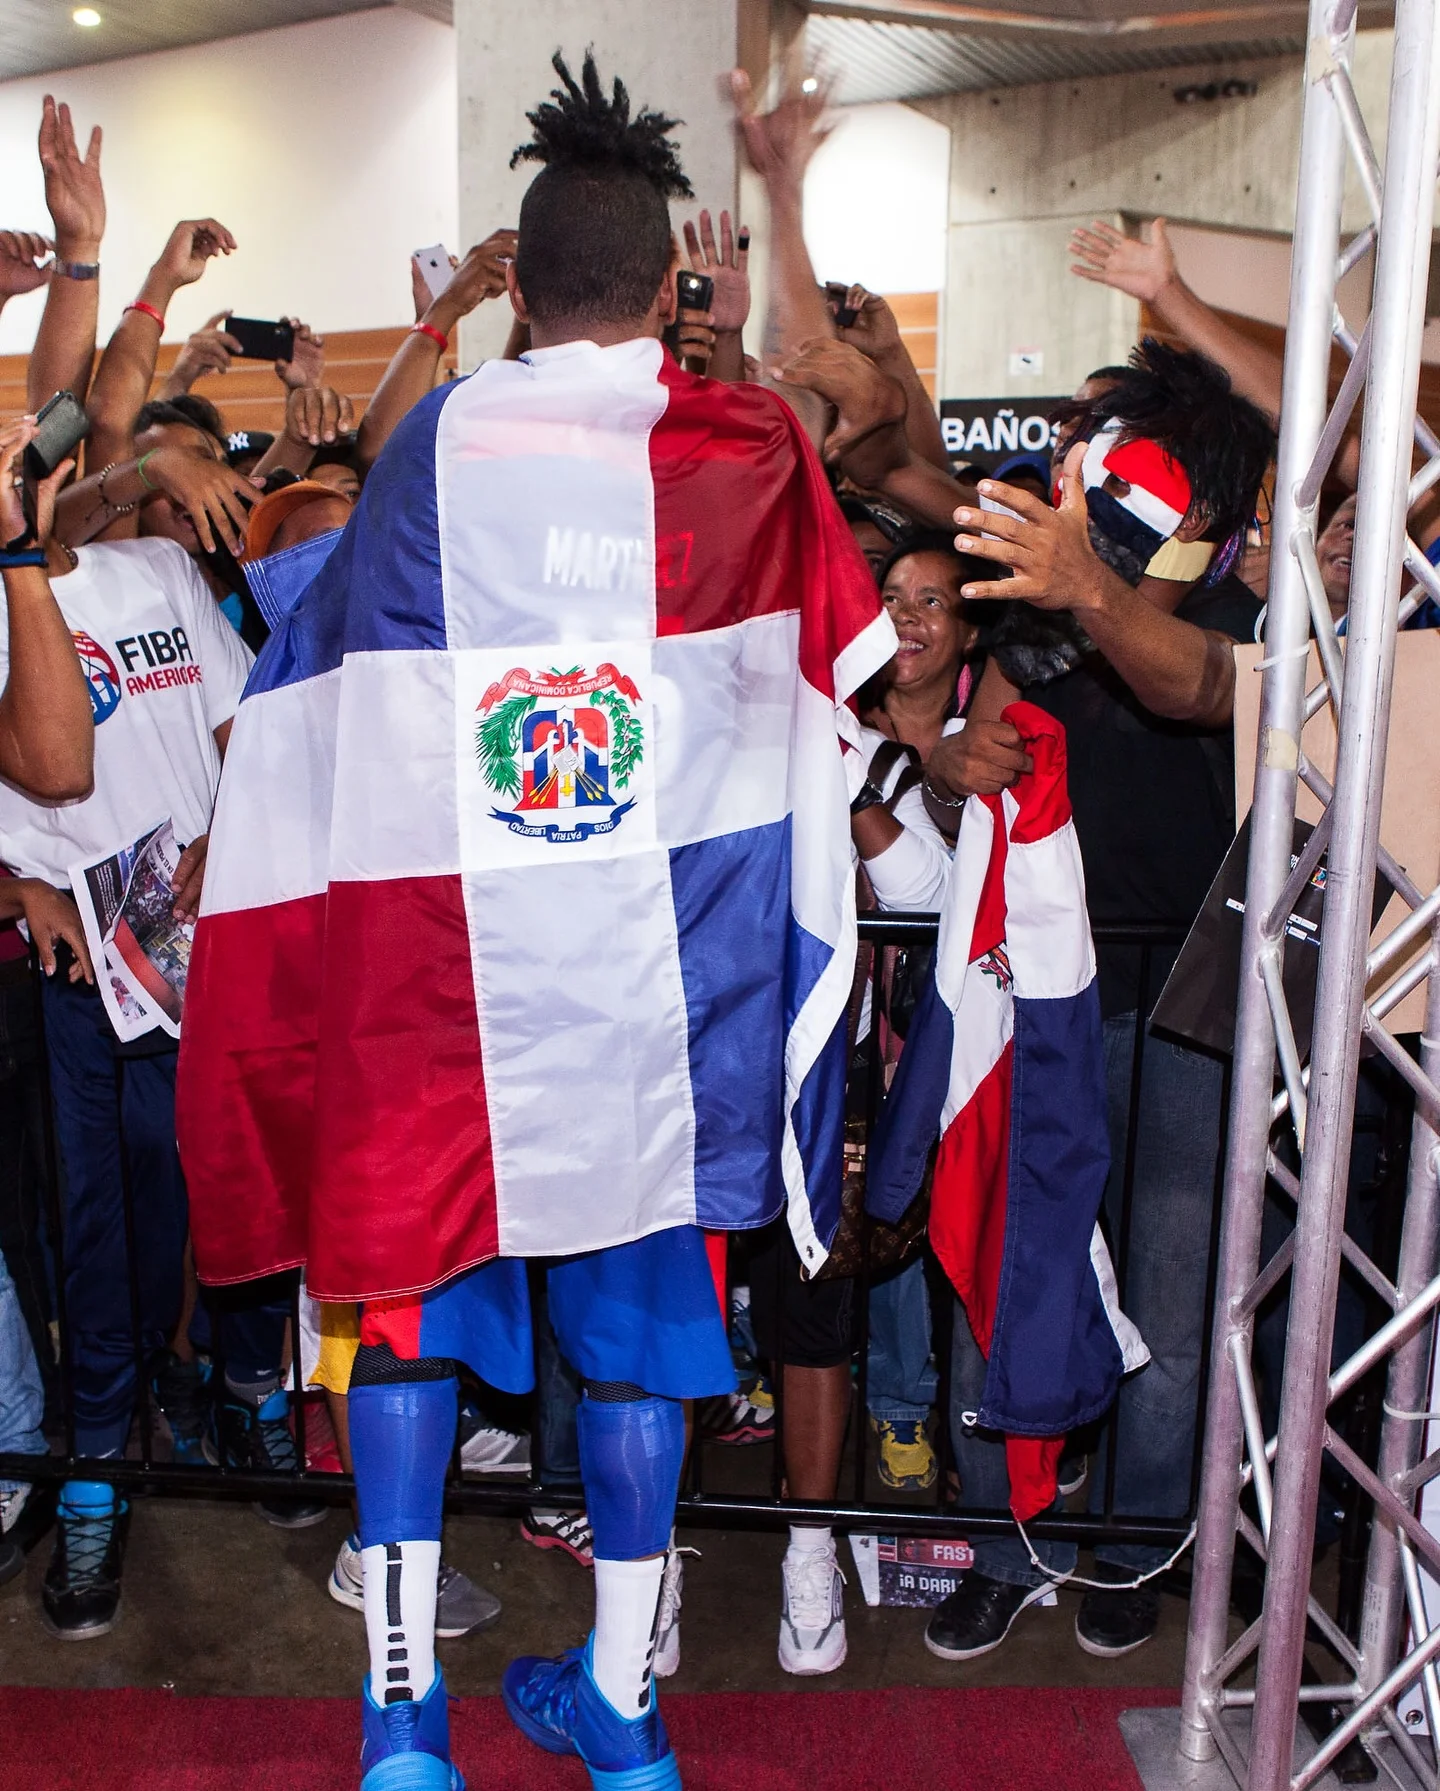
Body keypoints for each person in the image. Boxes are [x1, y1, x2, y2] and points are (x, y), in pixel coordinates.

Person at [174, 50, 889, 1791]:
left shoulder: (427, 455)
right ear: (668, 290)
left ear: (524, 277)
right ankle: (628, 1721)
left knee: (406, 1326)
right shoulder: (747, 451)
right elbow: (852, 672)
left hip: (442, 1000)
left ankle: (403, 1721)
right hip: (657, 999)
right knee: (644, 1357)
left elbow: (310, 686)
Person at [917, 339, 1275, 1665]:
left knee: (1177, 1300)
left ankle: (1135, 1543)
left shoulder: (1237, 617)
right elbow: (974, 773)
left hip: (1192, 1009)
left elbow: (1194, 688)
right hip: (1039, 1000)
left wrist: (1095, 597)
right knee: (1012, 1274)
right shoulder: (1036, 603)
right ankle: (1005, 1541)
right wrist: (954, 761)